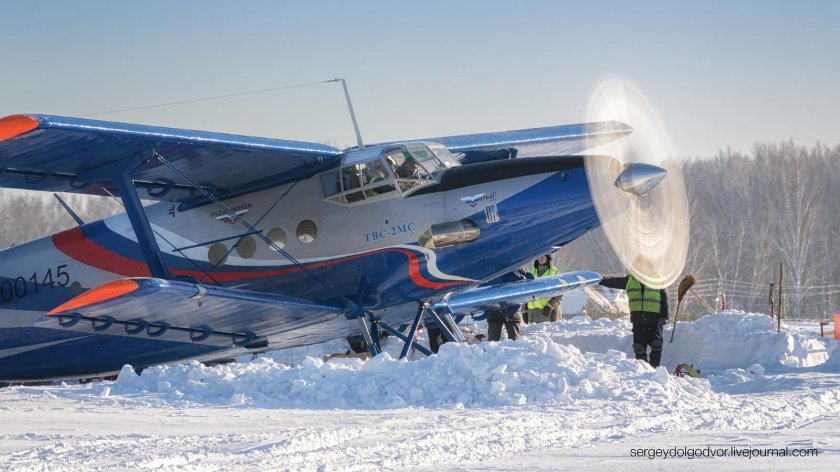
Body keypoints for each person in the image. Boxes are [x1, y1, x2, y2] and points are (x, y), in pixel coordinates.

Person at [599, 272, 669, 367]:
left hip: (654, 320)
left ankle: (655, 370)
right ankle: (643, 369)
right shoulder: (630, 280)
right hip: (638, 321)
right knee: (639, 348)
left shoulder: (657, 280)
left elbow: (664, 299)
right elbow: (614, 282)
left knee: (656, 345)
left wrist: (664, 316)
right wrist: (600, 280)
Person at [525, 254, 562, 323]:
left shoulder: (554, 272)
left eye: (543, 256)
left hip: (547, 312)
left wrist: (551, 304)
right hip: (532, 314)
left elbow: (561, 291)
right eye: (539, 256)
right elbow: (527, 292)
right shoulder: (532, 272)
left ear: (548, 258)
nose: (540, 258)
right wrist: (524, 308)